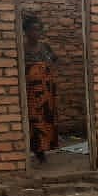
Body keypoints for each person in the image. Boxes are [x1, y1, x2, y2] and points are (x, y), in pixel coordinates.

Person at [23, 14, 58, 164]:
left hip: (46, 91)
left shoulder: (45, 47)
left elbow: (55, 61)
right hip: (31, 92)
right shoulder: (22, 48)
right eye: (32, 29)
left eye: (38, 29)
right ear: (26, 31)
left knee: (47, 120)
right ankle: (37, 151)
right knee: (34, 121)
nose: (35, 33)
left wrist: (46, 71)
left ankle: (44, 149)